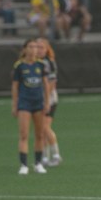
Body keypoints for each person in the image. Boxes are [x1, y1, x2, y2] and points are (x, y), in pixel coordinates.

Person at [11, 38, 50, 175]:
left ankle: (38, 163)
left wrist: (47, 102)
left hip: (38, 103)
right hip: (24, 103)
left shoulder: (41, 65)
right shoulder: (19, 66)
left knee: (40, 134)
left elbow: (45, 84)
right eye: (31, 47)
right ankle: (23, 165)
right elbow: (15, 87)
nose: (34, 49)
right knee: (24, 134)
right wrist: (14, 104)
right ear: (25, 49)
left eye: (35, 47)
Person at [37, 37, 62, 167]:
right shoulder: (34, 62)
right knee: (41, 129)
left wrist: (44, 98)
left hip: (49, 99)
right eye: (37, 47)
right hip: (38, 99)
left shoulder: (49, 62)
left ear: (47, 49)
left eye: (41, 47)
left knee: (45, 128)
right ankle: (45, 157)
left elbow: (51, 83)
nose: (39, 50)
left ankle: (56, 155)